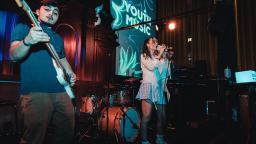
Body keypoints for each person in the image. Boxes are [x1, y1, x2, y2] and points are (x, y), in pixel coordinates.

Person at [9, 0, 76, 143]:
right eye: (47, 9)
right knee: (34, 137)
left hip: (62, 91)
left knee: (67, 131)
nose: (52, 13)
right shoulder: (24, 28)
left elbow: (62, 59)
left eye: (56, 12)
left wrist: (70, 73)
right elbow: (13, 55)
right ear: (37, 12)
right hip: (35, 91)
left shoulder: (58, 38)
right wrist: (27, 41)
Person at [136, 37, 167, 144]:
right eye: (153, 41)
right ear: (147, 45)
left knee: (162, 116)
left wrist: (163, 57)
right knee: (147, 117)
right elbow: (150, 67)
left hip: (158, 87)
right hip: (148, 86)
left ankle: (160, 139)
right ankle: (144, 142)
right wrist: (159, 56)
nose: (155, 43)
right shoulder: (144, 56)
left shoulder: (157, 57)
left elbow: (162, 72)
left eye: (156, 41)